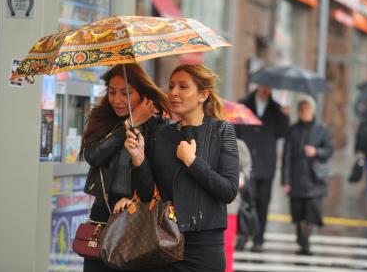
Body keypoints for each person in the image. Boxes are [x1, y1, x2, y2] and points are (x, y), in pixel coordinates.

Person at [117, 64, 239, 272]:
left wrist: (193, 162)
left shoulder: (222, 131)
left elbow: (228, 191)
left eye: (183, 87)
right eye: (171, 86)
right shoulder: (160, 134)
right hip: (163, 242)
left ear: (203, 95)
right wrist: (139, 159)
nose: (173, 92)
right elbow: (148, 194)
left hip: (204, 249)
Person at [77, 63, 170, 272]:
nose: (117, 100)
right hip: (102, 215)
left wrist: (135, 199)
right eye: (111, 92)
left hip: (138, 219)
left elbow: (156, 180)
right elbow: (93, 155)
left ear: (143, 94)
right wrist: (129, 124)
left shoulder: (158, 128)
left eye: (126, 93)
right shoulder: (101, 118)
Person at [235, 85, 289, 251]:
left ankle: (259, 238)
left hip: (266, 163)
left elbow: (282, 132)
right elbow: (235, 131)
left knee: (263, 203)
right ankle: (243, 236)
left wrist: (285, 117)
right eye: (264, 87)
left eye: (270, 88)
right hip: (246, 162)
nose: (267, 90)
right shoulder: (243, 104)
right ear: (259, 87)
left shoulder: (277, 109)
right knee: (245, 202)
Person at [281, 99, 333, 255]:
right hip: (296, 179)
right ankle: (300, 234)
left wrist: (316, 151)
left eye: (307, 109)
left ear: (313, 110)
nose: (304, 112)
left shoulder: (321, 129)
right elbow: (286, 157)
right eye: (301, 109)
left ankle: (305, 240)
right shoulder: (292, 130)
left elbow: (329, 150)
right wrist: (285, 180)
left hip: (314, 179)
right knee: (297, 214)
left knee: (312, 214)